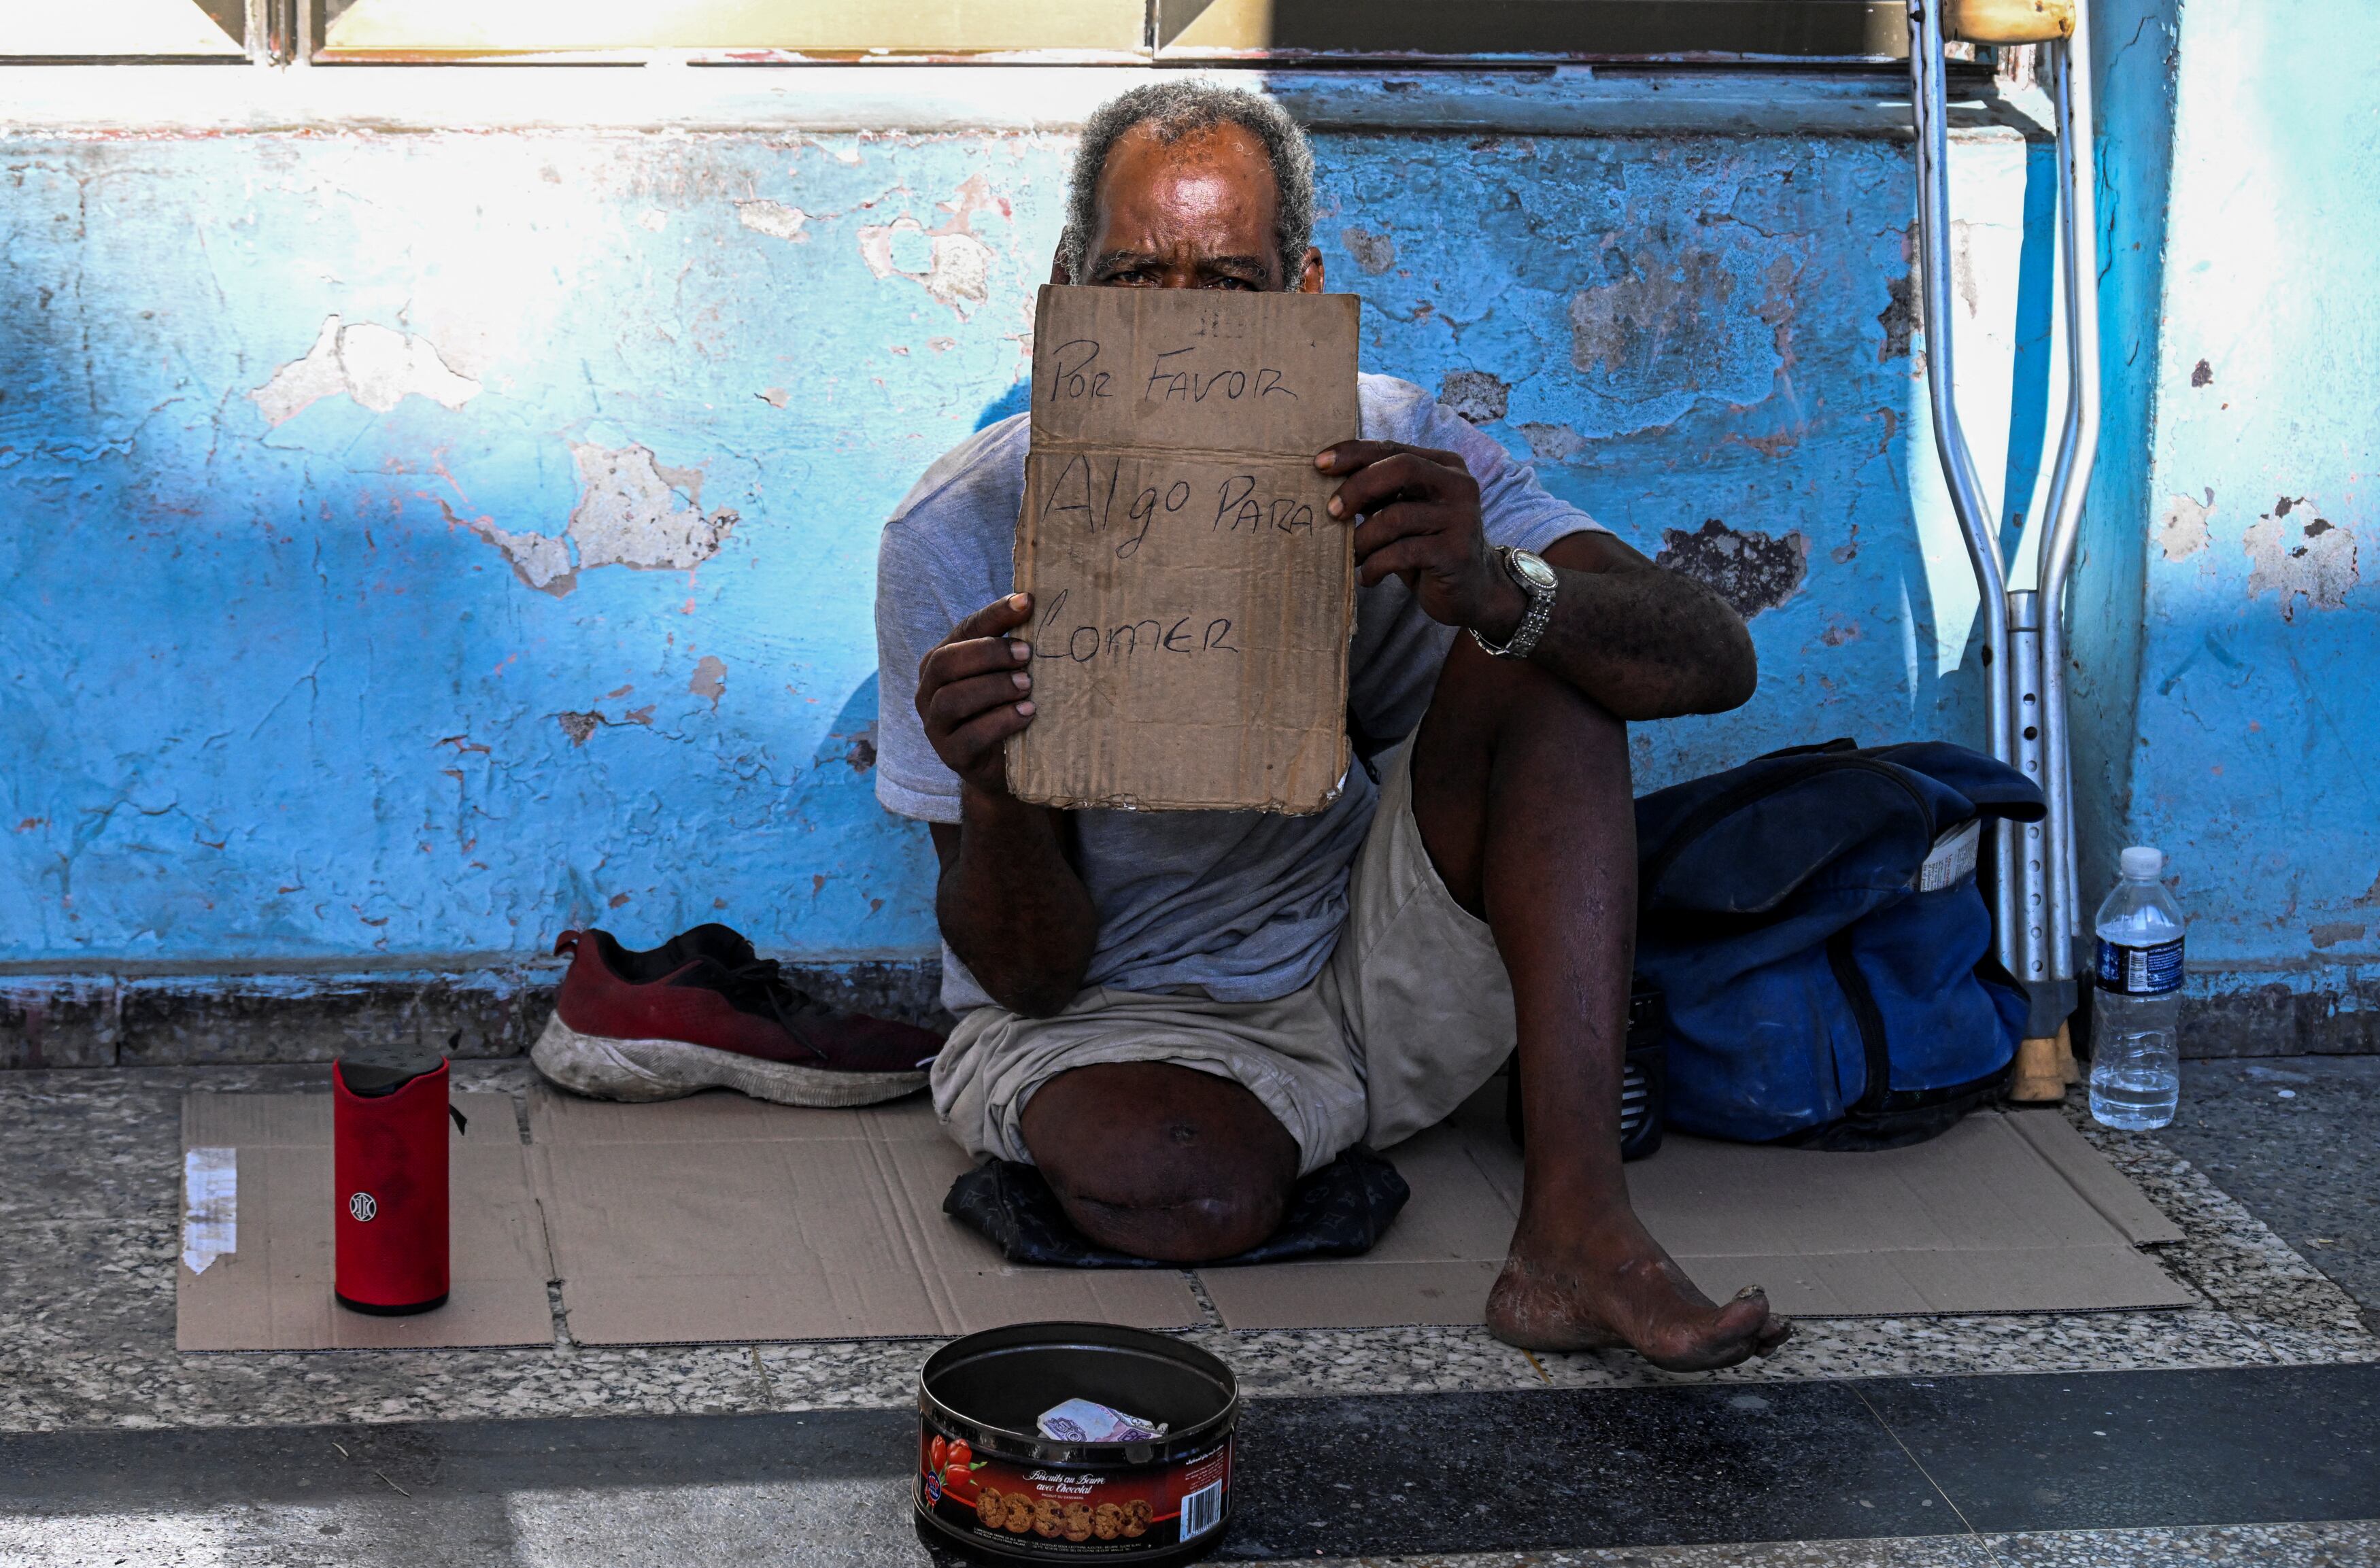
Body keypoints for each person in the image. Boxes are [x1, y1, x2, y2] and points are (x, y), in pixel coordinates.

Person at [874, 82, 1788, 1371]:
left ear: (1304, 294)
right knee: (1192, 1186)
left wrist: (1495, 588)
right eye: (1137, 281)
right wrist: (998, 787)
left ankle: (1576, 1232)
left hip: (1356, 962)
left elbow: (1714, 656)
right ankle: (1318, 1121)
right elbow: (1029, 974)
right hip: (1099, 1007)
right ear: (1070, 291)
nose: (1185, 336)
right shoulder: (958, 530)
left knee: (1547, 649)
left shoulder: (1396, 449)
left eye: (1234, 288)